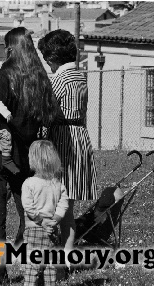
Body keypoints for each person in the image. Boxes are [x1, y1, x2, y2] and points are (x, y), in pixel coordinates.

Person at [0, 27, 58, 286]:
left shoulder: (5, 75)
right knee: (30, 211)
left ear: (9, 48)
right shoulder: (40, 77)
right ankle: (39, 271)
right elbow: (50, 115)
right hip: (27, 152)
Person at [38, 29, 98, 259]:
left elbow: (47, 111)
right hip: (80, 135)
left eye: (47, 60)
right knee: (69, 205)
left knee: (56, 200)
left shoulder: (59, 80)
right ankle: (68, 253)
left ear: (53, 58)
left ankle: (51, 249)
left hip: (63, 138)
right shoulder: (80, 77)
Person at [22, 140, 69, 286]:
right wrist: (54, 220)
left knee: (33, 263)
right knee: (50, 264)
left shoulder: (29, 183)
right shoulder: (58, 185)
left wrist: (42, 222)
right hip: (53, 230)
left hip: (34, 230)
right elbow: (63, 206)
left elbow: (29, 208)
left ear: (33, 160)